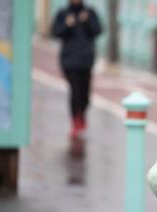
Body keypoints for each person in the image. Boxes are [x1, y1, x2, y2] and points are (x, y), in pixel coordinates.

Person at [51, 0, 101, 139]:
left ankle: (81, 114)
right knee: (75, 91)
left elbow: (98, 30)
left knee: (85, 95)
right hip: (69, 61)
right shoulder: (63, 13)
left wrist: (87, 21)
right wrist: (67, 24)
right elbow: (55, 32)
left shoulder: (90, 12)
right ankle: (75, 121)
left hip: (86, 61)